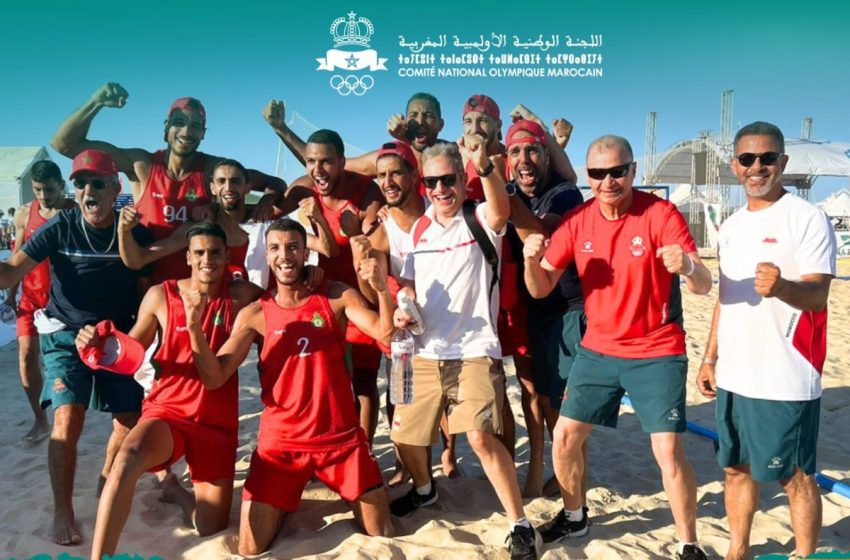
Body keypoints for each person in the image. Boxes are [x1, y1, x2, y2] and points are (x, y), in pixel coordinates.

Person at [523, 135, 712, 560]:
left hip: (656, 348)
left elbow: (702, 286)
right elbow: (540, 290)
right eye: (597, 173)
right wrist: (531, 261)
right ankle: (575, 516)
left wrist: (689, 267)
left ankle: (688, 543)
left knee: (667, 449)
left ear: (632, 172)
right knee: (565, 437)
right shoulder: (578, 220)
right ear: (587, 177)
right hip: (599, 347)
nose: (608, 181)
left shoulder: (660, 212)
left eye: (617, 171)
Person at [189, 218, 395, 555]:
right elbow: (215, 376)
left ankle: (295, 498)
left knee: (380, 531)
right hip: (281, 446)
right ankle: (283, 499)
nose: (284, 255)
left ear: (305, 253)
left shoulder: (336, 295)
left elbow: (384, 334)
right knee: (250, 548)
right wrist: (195, 329)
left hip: (340, 439)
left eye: (293, 247)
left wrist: (383, 290)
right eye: (275, 248)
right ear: (267, 256)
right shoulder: (256, 312)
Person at [78, 221, 263, 560]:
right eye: (200, 252)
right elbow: (130, 353)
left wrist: (314, 277)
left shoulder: (243, 296)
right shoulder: (161, 295)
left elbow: (287, 305)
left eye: (215, 252)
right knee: (127, 458)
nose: (207, 259)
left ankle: (174, 490)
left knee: (210, 527)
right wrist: (96, 344)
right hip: (169, 412)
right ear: (188, 258)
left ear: (226, 257)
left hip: (216, 424)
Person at [392, 141, 542, 560]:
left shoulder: (478, 218)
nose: (440, 189)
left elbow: (501, 211)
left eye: (448, 179)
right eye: (432, 181)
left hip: (475, 348)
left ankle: (519, 524)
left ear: (462, 179)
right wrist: (405, 304)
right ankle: (424, 491)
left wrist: (487, 166)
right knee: (403, 434)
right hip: (423, 351)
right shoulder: (419, 229)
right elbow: (410, 283)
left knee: (479, 436)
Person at [696, 122, 836, 560]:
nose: (757, 167)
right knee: (735, 469)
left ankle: (805, 554)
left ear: (783, 163)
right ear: (734, 166)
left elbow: (818, 295)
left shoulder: (806, 218)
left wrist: (782, 288)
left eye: (767, 158)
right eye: (747, 159)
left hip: (786, 374)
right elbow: (725, 297)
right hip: (736, 374)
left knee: (794, 475)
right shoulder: (733, 225)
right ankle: (738, 551)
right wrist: (709, 357)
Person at [0, 149, 153, 545]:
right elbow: (12, 271)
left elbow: (147, 291)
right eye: (81, 183)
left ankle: (105, 478)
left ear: (116, 188)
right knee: (66, 420)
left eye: (98, 183)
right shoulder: (62, 225)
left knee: (128, 418)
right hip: (65, 334)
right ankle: (63, 511)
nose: (88, 190)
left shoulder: (134, 231)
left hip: (117, 337)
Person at [52, 82, 288, 284]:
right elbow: (64, 145)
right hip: (146, 285)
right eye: (179, 122)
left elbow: (275, 182)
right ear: (166, 127)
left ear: (203, 134)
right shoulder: (142, 165)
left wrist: (266, 201)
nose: (187, 130)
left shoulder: (211, 169)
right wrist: (96, 102)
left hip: (199, 288)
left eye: (195, 125)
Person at [277, 129, 385, 444]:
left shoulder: (366, 192)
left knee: (364, 383)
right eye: (311, 161)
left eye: (327, 161)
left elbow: (366, 242)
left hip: (363, 296)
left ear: (342, 162)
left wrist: (353, 232)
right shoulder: (303, 189)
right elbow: (268, 212)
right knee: (327, 379)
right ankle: (330, 442)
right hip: (324, 297)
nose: (318, 170)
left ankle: (363, 449)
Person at [502, 119, 586, 499]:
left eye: (533, 150)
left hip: (565, 308)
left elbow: (540, 234)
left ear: (547, 156)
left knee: (559, 401)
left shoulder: (564, 193)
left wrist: (499, 190)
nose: (524, 159)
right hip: (527, 307)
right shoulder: (508, 189)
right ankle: (540, 467)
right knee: (532, 393)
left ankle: (570, 473)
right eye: (515, 152)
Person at [118, 158, 334, 281]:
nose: (228, 187)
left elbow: (326, 249)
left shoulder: (265, 227)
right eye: (221, 181)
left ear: (248, 187)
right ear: (212, 188)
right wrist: (123, 231)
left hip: (259, 325)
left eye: (235, 181)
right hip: (214, 328)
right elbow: (137, 260)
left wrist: (318, 221)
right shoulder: (197, 232)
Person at [6, 161, 74, 443]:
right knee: (26, 357)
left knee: (62, 364)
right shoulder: (25, 213)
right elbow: (17, 256)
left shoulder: (74, 211)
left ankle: (66, 416)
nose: (43, 196)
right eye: (37, 190)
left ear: (61, 184)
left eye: (48, 189)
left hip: (64, 299)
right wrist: (11, 293)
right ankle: (39, 418)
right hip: (31, 297)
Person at [264, 92, 447, 176]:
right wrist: (281, 128)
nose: (421, 121)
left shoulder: (455, 156)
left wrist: (405, 138)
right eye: (414, 115)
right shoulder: (391, 158)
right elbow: (329, 163)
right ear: (406, 121)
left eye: (429, 116)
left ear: (441, 124)